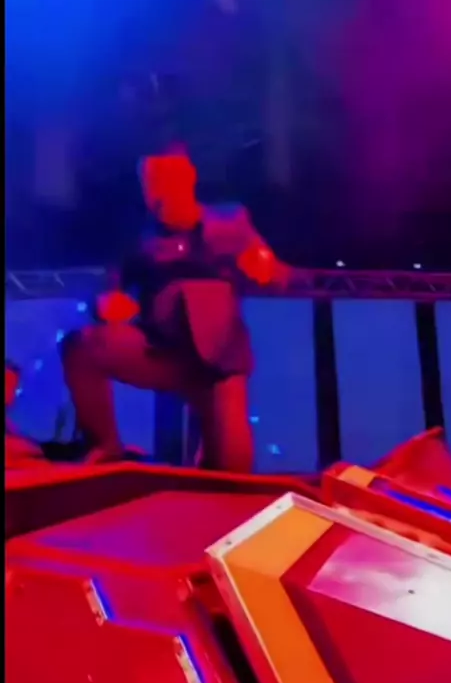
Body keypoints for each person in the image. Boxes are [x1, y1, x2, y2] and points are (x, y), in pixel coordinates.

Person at [60, 147, 295, 473]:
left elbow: (278, 275)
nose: (156, 191)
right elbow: (109, 289)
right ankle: (106, 445)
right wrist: (106, 305)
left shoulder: (229, 222)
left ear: (189, 179)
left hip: (218, 364)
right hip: (159, 352)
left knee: (231, 471)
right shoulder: (137, 237)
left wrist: (266, 268)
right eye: (149, 182)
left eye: (165, 180)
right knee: (82, 345)